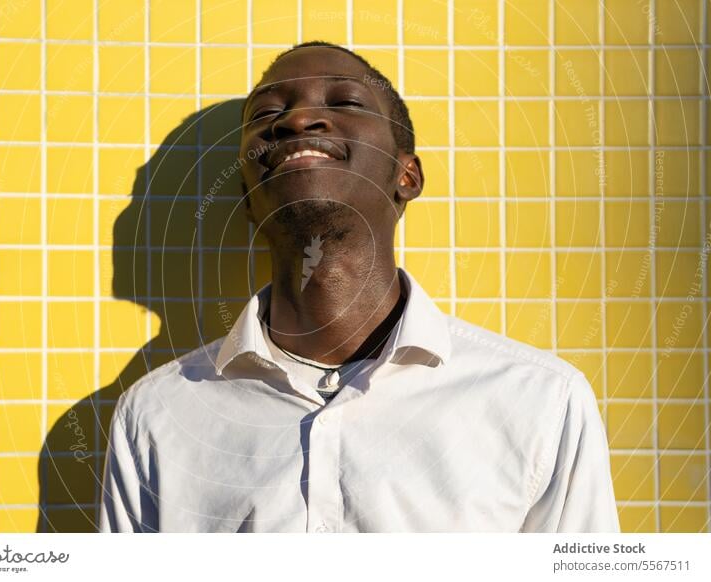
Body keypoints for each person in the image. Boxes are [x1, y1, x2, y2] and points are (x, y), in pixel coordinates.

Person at [99, 41, 619, 533]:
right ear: (247, 195)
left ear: (407, 175)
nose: (297, 120)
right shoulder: (155, 417)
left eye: (345, 100)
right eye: (265, 115)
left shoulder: (540, 402)